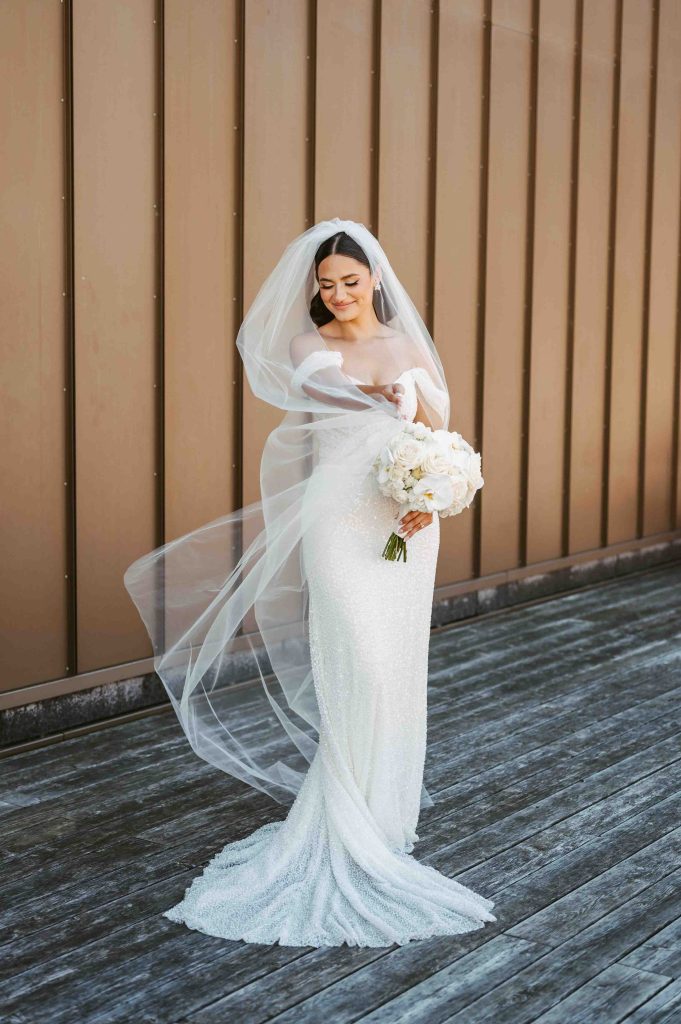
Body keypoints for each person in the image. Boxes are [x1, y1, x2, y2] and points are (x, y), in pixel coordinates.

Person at [123, 217, 496, 946]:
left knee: (392, 665)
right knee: (353, 653)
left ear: (376, 280)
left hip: (401, 521)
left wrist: (433, 493)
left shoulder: (408, 344)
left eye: (349, 282)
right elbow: (334, 404)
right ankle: (340, 814)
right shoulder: (308, 345)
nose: (337, 295)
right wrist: (382, 400)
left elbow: (435, 429)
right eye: (325, 286)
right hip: (338, 518)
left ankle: (382, 815)